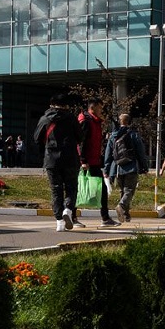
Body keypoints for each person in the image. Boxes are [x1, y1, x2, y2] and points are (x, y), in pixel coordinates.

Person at [34, 92, 82, 232]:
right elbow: (80, 136)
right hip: (70, 159)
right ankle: (68, 209)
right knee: (71, 187)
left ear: (51, 104)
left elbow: (36, 138)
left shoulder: (45, 119)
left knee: (56, 189)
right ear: (66, 105)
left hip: (51, 160)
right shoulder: (71, 118)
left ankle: (59, 221)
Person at [77, 99, 118, 227]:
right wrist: (83, 160)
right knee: (79, 188)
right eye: (100, 107)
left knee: (100, 189)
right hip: (87, 162)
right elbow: (82, 142)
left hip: (93, 161)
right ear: (93, 107)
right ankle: (72, 216)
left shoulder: (95, 122)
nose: (101, 110)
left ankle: (105, 218)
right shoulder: (86, 121)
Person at [103, 112, 148, 223]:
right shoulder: (134, 135)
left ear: (119, 121)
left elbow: (108, 154)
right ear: (129, 122)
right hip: (131, 166)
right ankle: (121, 205)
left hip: (117, 168)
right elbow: (141, 152)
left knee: (123, 191)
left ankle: (125, 215)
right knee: (129, 190)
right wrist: (144, 166)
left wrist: (107, 169)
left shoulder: (113, 136)